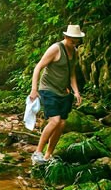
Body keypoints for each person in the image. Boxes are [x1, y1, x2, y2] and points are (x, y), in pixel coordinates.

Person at [29, 25, 85, 164]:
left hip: (62, 91)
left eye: (77, 41)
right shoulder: (55, 49)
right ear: (66, 37)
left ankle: (48, 155)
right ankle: (37, 153)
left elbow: (72, 73)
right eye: (72, 40)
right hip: (48, 88)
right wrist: (34, 89)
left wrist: (76, 91)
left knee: (61, 124)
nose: (75, 43)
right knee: (54, 120)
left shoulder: (75, 52)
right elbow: (38, 67)